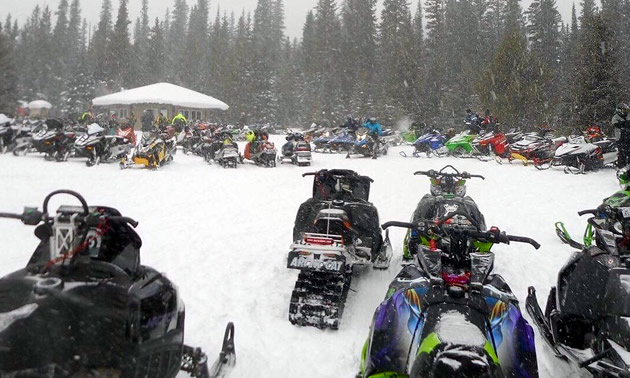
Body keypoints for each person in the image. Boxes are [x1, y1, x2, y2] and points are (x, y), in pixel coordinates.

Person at [613, 103, 630, 167]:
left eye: (626, 110)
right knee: (622, 154)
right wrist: (626, 124)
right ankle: (621, 166)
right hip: (620, 139)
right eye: (624, 110)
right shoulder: (615, 117)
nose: (626, 112)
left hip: (628, 138)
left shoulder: (628, 116)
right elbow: (618, 125)